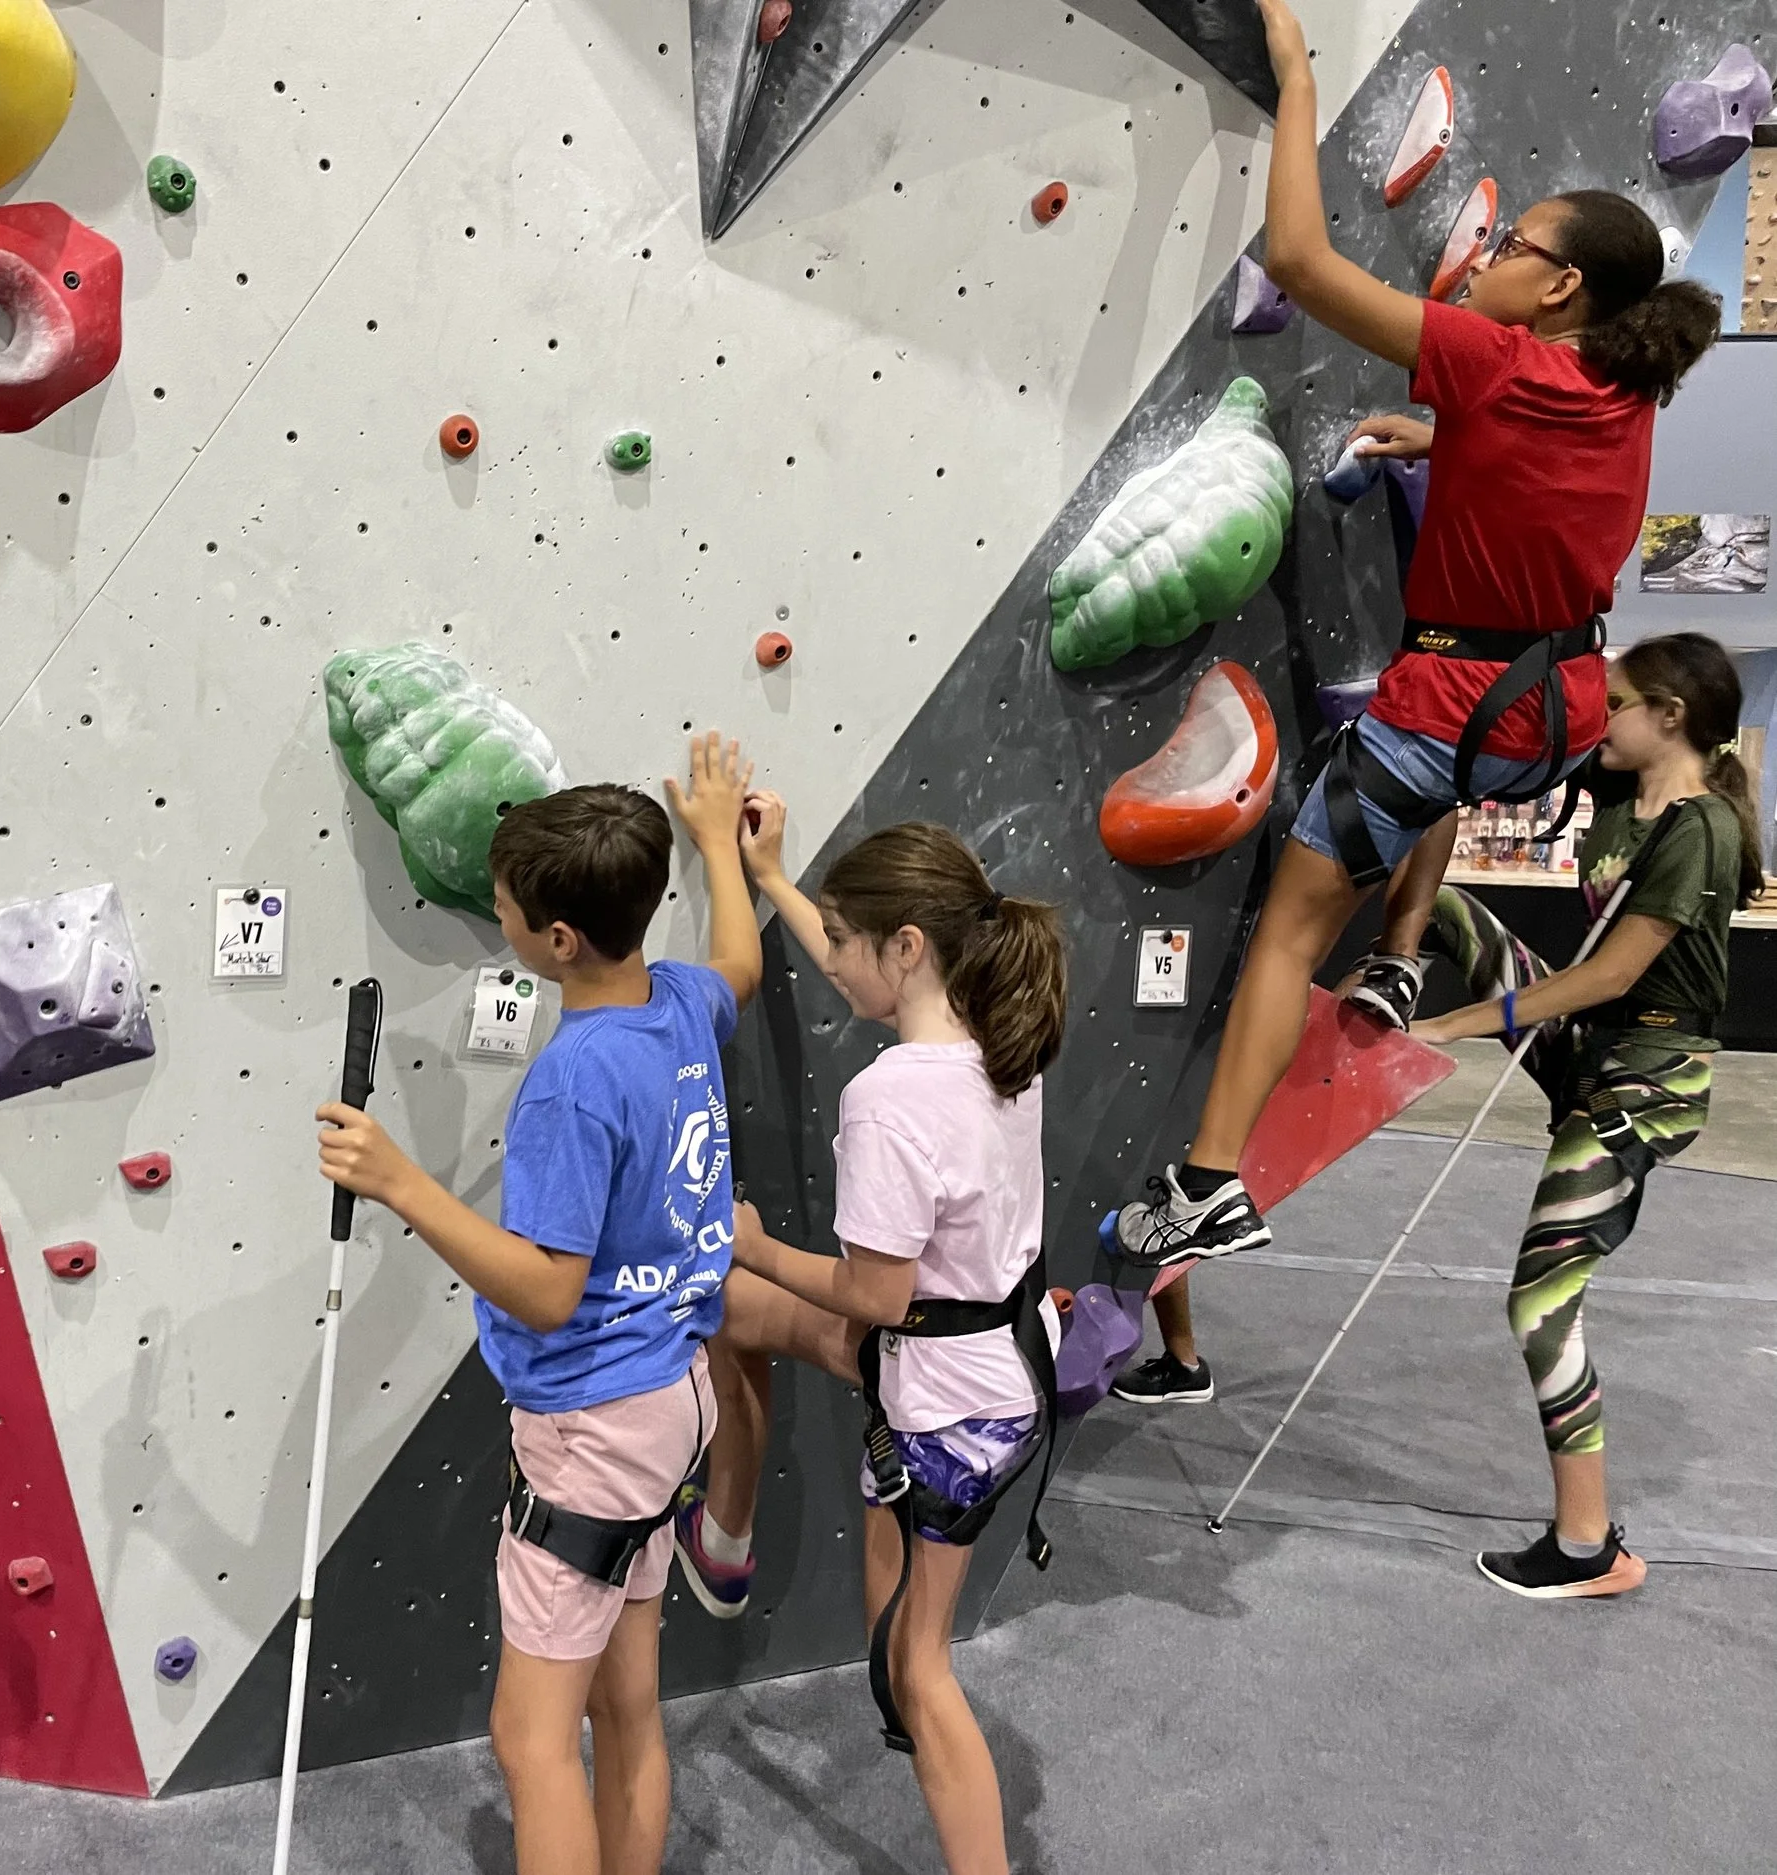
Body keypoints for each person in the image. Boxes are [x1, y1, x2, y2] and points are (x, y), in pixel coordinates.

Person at [1110, 0, 1723, 1400]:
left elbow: (1304, 260)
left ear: (1560, 289)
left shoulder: (1496, 356)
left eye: (1515, 247)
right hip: (1553, 707)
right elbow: (1535, 453)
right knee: (1402, 801)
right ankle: (1399, 952)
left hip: (1453, 702)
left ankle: (1209, 1179)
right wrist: (1444, 432)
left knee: (1285, 926)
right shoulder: (1618, 392)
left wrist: (1299, 78)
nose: (1494, 256)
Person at [314, 736, 760, 1875]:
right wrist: (719, 845)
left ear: (556, 941)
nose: (499, 922)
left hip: (595, 1424)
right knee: (626, 1708)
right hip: (671, 1398)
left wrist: (399, 1181)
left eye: (505, 910)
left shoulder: (572, 1078)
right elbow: (739, 970)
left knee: (530, 1737)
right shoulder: (678, 1004)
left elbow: (550, 1292)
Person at [670, 803, 1065, 1875]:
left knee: (914, 1665)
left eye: (844, 945)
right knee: (726, 1312)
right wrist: (771, 877)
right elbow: (863, 953)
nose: (830, 965)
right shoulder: (1001, 1045)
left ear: (907, 947)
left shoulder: (886, 1098)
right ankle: (728, 1537)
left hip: (942, 1398)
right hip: (992, 1359)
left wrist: (749, 1242)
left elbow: (872, 1296)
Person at [1403, 633, 1758, 1596]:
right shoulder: (1613, 793)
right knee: (1452, 911)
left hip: (1647, 1076)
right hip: (1594, 1047)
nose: (1600, 718)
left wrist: (1456, 1026)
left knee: (1540, 1300)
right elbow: (1489, 769)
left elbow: (1609, 973)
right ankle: (1377, 987)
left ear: (1670, 719)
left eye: (1618, 703)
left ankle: (1587, 1545)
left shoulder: (1701, 829)